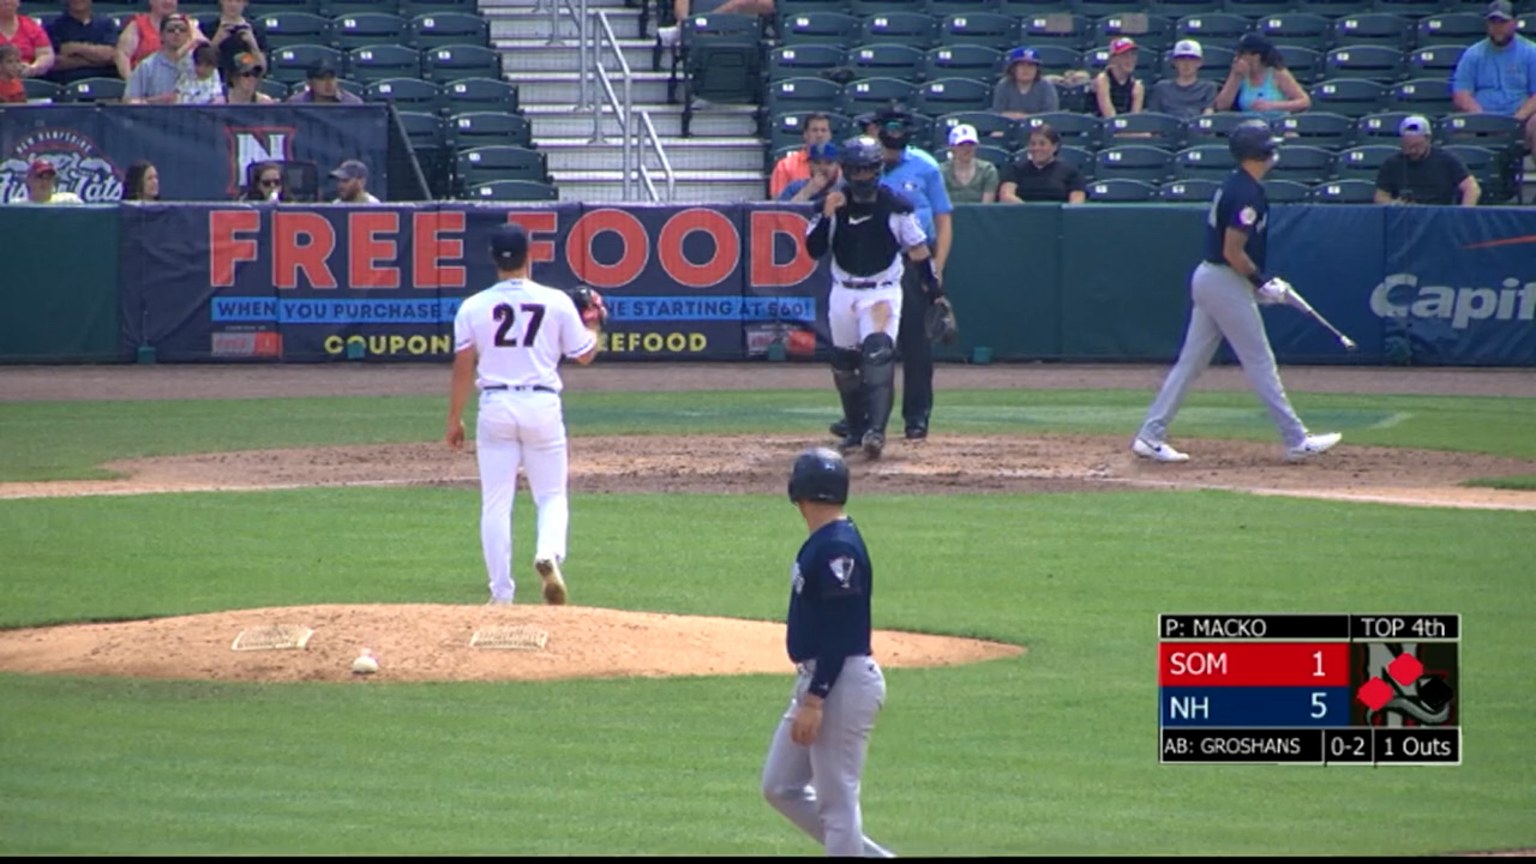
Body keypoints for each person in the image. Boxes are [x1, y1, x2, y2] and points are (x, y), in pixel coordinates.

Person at [1131, 120, 1341, 464]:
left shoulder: (1239, 184)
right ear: (1258, 153)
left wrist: (1257, 284)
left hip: (1213, 278)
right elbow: (1233, 251)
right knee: (1259, 360)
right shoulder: (1247, 193)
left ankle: (1150, 435)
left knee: (1190, 364)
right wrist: (1262, 283)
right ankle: (1296, 438)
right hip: (1223, 278)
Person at [445, 223, 604, 607]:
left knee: (496, 503)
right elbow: (584, 354)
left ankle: (501, 594)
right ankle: (548, 553)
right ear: (529, 255)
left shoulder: (473, 306)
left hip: (495, 406)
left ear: (492, 260)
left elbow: (463, 364)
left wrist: (454, 418)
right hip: (541, 404)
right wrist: (597, 323)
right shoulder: (555, 301)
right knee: (551, 495)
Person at [761, 446, 893, 859]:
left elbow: (841, 631)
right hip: (821, 678)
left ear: (799, 490)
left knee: (837, 804)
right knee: (780, 786)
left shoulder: (838, 549)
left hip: (840, 682)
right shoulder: (825, 540)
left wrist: (816, 699)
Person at [807, 136, 938, 459]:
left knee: (878, 354)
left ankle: (875, 432)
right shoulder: (832, 205)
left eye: (868, 169)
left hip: (882, 291)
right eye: (856, 170)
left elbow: (918, 251)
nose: (862, 177)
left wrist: (935, 292)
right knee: (843, 363)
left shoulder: (896, 206)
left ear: (878, 169)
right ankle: (855, 428)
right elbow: (814, 250)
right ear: (846, 170)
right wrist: (826, 215)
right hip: (843, 290)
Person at [875, 109, 952, 442]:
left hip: (914, 261)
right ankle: (865, 419)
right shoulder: (863, 163)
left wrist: (938, 268)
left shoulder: (925, 166)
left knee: (916, 345)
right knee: (870, 342)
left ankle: (916, 419)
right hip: (874, 263)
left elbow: (943, 218)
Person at [1451, 0, 1536, 156]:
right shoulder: (1473, 54)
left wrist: (1516, 120)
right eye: (1493, 22)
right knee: (1457, 127)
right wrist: (1482, 119)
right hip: (1481, 118)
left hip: (1520, 120)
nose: (1498, 27)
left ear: (1515, 23)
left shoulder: (1531, 52)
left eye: (1503, 22)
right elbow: (1461, 93)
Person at [1374, 115, 1480, 207]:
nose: (1413, 151)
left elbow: (1472, 188)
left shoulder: (1446, 160)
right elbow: (1380, 196)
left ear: (1428, 139)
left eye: (1417, 146)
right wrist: (1393, 203)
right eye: (1407, 146)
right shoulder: (1392, 163)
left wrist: (1463, 213)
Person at [1214, 32, 1310, 122]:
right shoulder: (1239, 74)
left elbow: (1304, 101)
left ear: (1256, 56)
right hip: (1248, 126)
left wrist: (1272, 105)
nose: (1238, 57)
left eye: (1242, 53)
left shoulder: (1278, 73)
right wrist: (1235, 76)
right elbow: (1221, 106)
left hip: (1275, 122)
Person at [998, 123, 1087, 204]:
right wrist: (1030, 212)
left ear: (1055, 147)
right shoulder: (1016, 169)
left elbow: (1077, 201)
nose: (1036, 148)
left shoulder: (1071, 172)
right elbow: (1006, 195)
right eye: (1033, 144)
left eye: (1042, 144)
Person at [115, 0, 204, 80]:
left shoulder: (187, 24)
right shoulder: (138, 25)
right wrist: (132, 83)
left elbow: (203, 47)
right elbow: (123, 55)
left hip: (182, 82)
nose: (168, 1)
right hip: (147, 82)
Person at [124, 12, 194, 104]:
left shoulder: (200, 62)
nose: (177, 33)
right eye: (171, 30)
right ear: (161, 35)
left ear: (188, 35)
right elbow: (129, 102)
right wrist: (156, 101)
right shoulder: (146, 66)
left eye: (182, 30)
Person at [45, 0, 120, 86]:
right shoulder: (55, 26)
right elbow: (56, 62)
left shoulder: (107, 23)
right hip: (68, 82)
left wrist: (75, 48)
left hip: (106, 81)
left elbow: (110, 56)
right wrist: (97, 59)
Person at [1148, 39, 1218, 120]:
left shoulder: (1208, 88)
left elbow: (1208, 115)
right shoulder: (1161, 88)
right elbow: (1154, 118)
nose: (1186, 63)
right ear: (1175, 62)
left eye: (1191, 58)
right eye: (1182, 59)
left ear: (1200, 62)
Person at [769, 111, 833, 199]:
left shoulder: (838, 166)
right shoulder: (785, 166)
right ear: (805, 134)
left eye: (824, 130)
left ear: (830, 135)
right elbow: (778, 206)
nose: (819, 135)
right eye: (814, 130)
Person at [992, 46, 1059, 121]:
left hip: (1039, 129)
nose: (1026, 69)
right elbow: (998, 114)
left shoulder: (1046, 86)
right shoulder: (1004, 85)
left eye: (1030, 65)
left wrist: (1021, 117)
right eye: (1021, 65)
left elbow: (1050, 117)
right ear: (1013, 68)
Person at [940, 123, 1000, 204]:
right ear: (952, 147)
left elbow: (986, 207)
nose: (967, 149)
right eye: (961, 145)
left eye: (971, 144)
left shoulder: (988, 170)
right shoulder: (941, 172)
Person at [208, 0, 264, 84]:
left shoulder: (256, 30)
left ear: (245, 3)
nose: (233, 5)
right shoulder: (208, 28)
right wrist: (216, 42)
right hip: (215, 82)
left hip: (246, 83)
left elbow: (263, 69)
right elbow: (202, 65)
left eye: (238, 1)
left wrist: (253, 44)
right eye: (229, 1)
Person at [0, 0, 55, 80]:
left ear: (18, 2)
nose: (6, 1)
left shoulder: (31, 25)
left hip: (28, 79)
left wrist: (32, 68)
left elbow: (46, 54)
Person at [1091, 37, 1144, 119]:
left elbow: (1134, 120)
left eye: (1133, 54)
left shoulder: (1137, 86)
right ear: (1113, 58)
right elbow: (1110, 116)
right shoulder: (1103, 79)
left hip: (1127, 129)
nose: (1130, 59)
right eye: (1125, 55)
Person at [287, 59, 361, 104]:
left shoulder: (352, 103)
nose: (329, 83)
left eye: (332, 78)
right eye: (322, 79)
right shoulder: (296, 103)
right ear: (310, 83)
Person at [12, 158, 82, 203]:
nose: (45, 182)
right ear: (29, 180)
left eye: (49, 178)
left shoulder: (69, 201)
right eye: (40, 177)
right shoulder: (18, 206)